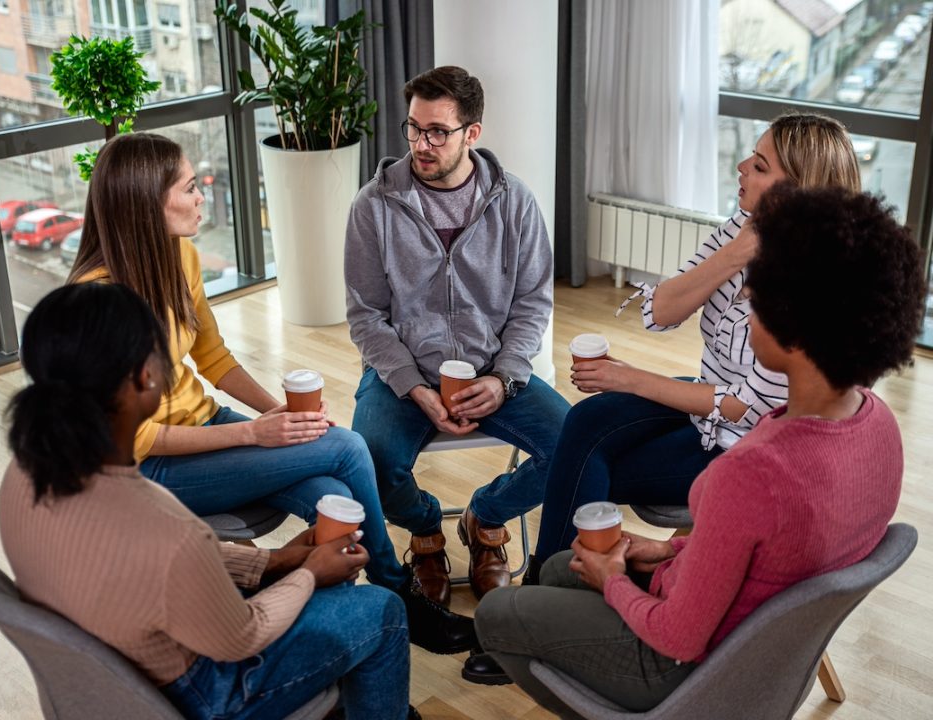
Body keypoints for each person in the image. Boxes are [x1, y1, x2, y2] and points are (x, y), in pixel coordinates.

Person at [472, 183, 924, 712]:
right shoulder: (877, 425)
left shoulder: (752, 473)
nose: (747, 300)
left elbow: (678, 638)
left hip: (684, 669)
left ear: (797, 333)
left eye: (760, 294)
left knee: (498, 613)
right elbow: (766, 554)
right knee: (558, 570)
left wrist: (616, 581)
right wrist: (669, 549)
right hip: (763, 654)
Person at [65, 132, 475, 656]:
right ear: (148, 203)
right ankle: (398, 595)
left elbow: (212, 357)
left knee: (339, 500)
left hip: (209, 424)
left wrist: (275, 414)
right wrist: (256, 433)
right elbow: (135, 439)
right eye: (189, 189)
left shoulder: (178, 256)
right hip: (148, 470)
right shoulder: (95, 305)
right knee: (347, 447)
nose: (201, 198)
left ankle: (333, 636)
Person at [0, 282, 421, 720]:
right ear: (147, 378)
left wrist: (276, 561)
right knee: (382, 611)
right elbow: (241, 636)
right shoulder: (162, 524)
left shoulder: (23, 475)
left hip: (115, 678)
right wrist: (310, 573)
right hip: (205, 695)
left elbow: (158, 566)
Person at [531, 113, 863, 570]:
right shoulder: (742, 227)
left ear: (799, 194)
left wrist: (629, 378)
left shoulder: (814, 291)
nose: (741, 167)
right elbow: (661, 313)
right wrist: (735, 254)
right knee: (587, 421)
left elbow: (743, 408)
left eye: (760, 166)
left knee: (583, 465)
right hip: (707, 408)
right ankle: (551, 586)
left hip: (749, 449)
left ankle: (551, 591)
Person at [345, 66, 571, 605]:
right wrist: (413, 387)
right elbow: (365, 316)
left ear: (472, 133)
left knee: (575, 446)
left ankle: (484, 518)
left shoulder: (514, 201)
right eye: (414, 128)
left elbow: (532, 302)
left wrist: (504, 377)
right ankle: (426, 532)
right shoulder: (373, 206)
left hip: (492, 370)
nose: (422, 144)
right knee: (367, 464)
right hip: (403, 374)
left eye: (438, 131)